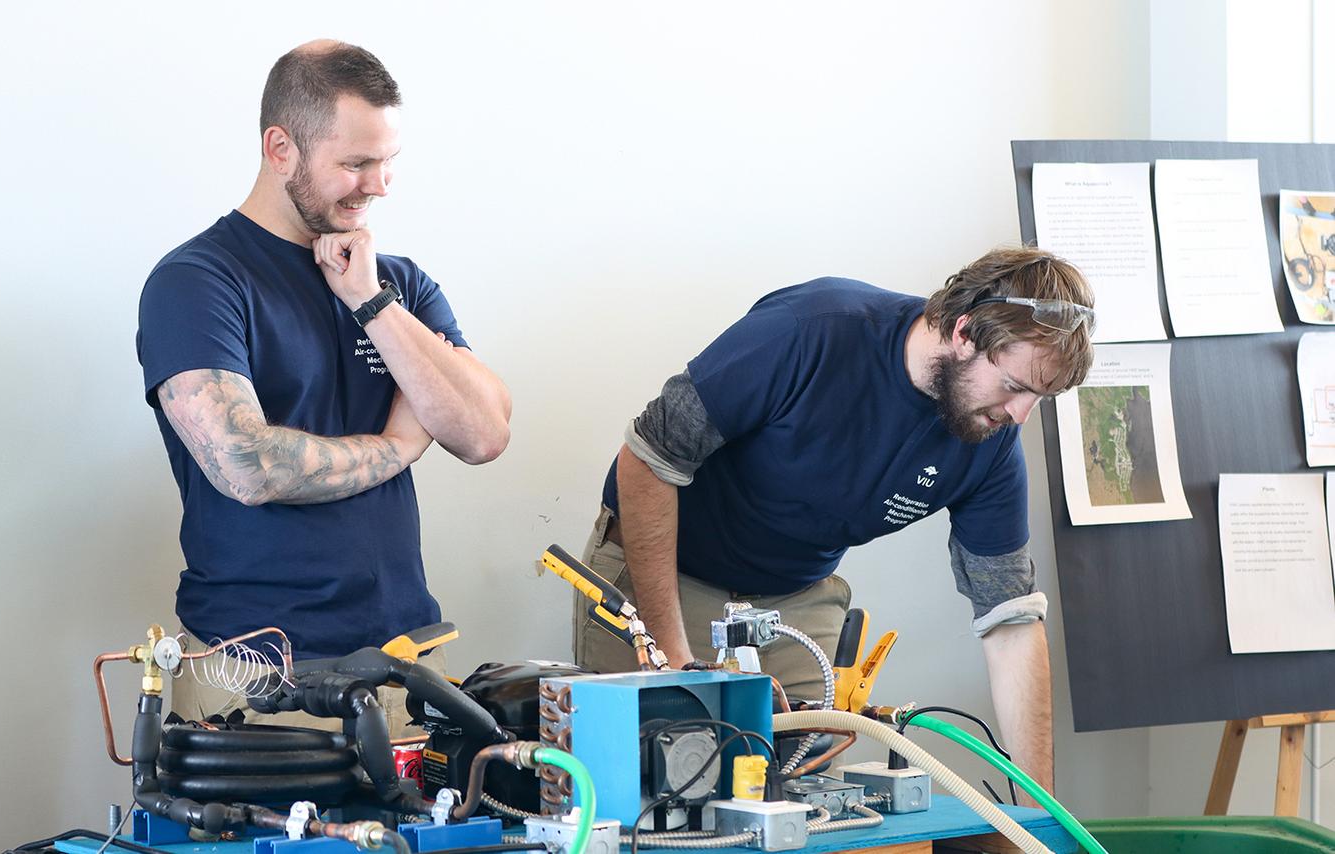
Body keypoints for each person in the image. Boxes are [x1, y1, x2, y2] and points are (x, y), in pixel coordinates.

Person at [573, 246, 1093, 794]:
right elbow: (649, 458)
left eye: (1041, 397)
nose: (1020, 416)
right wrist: (674, 661)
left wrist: (1040, 821)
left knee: (797, 809)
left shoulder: (992, 443)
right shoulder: (812, 331)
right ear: (964, 333)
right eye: (1015, 386)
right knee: (648, 794)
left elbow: (1010, 622)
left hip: (793, 603)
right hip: (664, 574)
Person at [137, 40, 511, 731]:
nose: (380, 185)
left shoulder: (397, 283)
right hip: (262, 679)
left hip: (404, 668)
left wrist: (371, 303)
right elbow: (245, 465)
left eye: (388, 161)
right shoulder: (197, 282)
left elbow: (484, 432)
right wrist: (398, 447)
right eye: (356, 163)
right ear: (281, 148)